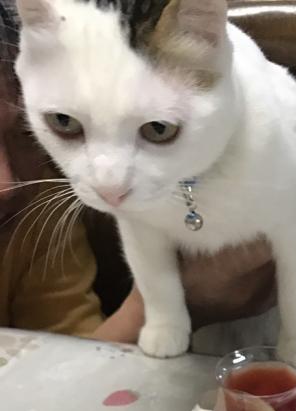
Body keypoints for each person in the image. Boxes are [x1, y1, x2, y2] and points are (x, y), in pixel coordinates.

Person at [0, 0, 276, 349]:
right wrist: (175, 303)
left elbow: (66, 358)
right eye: (65, 123)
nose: (7, 185)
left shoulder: (37, 207)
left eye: (22, 135)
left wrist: (163, 306)